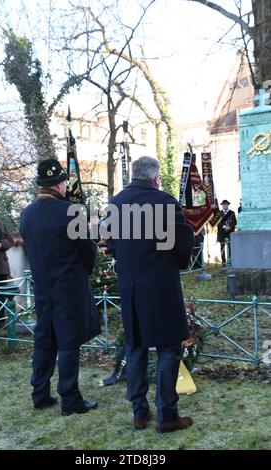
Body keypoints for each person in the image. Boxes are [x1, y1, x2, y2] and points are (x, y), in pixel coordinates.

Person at [107, 156, 194, 433]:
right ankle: (167, 415)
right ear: (155, 179)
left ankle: (139, 413)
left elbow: (109, 242)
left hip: (130, 287)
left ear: (133, 176)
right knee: (169, 348)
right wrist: (177, 261)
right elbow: (184, 241)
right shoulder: (165, 202)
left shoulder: (116, 203)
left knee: (135, 347)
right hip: (161, 287)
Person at [20, 158, 101, 415]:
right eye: (65, 181)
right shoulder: (71, 211)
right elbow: (88, 251)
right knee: (68, 342)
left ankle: (40, 393)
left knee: (45, 341)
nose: (67, 185)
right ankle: (70, 398)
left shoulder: (26, 214)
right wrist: (85, 270)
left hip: (42, 288)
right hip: (68, 288)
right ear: (59, 184)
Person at [217, 200, 237, 267]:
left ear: (228, 205)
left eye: (226, 204)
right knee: (222, 248)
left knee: (230, 247)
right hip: (221, 233)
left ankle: (230, 261)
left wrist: (230, 227)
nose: (225, 205)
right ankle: (224, 263)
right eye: (223, 204)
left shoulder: (232, 213)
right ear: (222, 205)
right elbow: (217, 223)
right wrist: (224, 226)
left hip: (230, 232)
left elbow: (234, 222)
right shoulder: (219, 213)